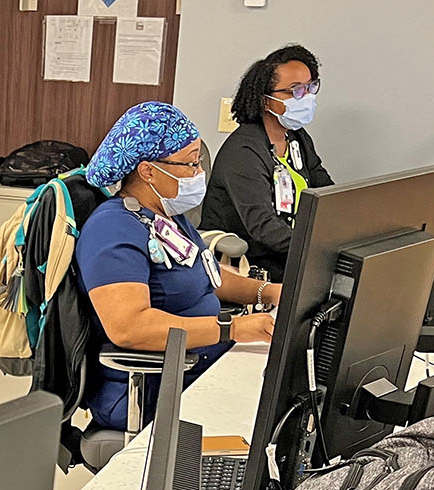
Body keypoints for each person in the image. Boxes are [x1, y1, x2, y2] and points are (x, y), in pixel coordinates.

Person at [78, 102, 281, 432]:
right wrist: (232, 330)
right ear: (148, 171)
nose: (199, 173)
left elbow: (207, 277)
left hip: (203, 361)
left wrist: (269, 291)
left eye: (198, 161)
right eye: (189, 164)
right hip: (155, 385)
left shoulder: (166, 217)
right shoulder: (113, 229)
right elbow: (129, 327)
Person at [201, 44, 333, 281]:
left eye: (311, 87)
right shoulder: (243, 151)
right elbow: (263, 226)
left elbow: (326, 192)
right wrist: (318, 250)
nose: (307, 97)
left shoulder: (297, 138)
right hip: (251, 262)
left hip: (291, 252)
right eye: (295, 91)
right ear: (266, 100)